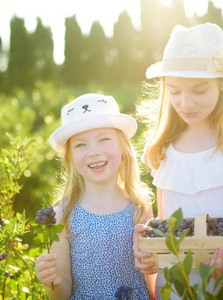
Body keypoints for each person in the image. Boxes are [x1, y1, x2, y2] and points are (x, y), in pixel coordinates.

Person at [133, 23, 223, 299]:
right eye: (174, 91)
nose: (186, 103)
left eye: (199, 91)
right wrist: (148, 249)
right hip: (177, 286)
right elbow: (167, 226)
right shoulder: (162, 149)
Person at [35, 93, 153, 299]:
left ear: (122, 147)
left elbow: (153, 279)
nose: (94, 152)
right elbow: (62, 294)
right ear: (70, 156)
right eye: (81, 144)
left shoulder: (140, 205)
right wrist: (52, 282)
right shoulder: (62, 215)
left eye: (104, 139)